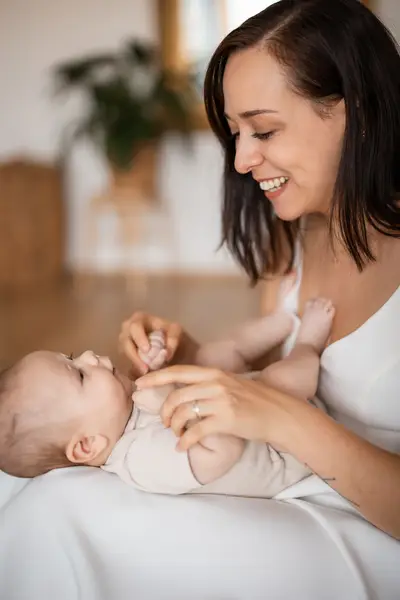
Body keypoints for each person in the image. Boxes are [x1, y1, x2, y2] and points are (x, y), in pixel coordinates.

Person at [118, 0, 400, 596]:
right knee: (54, 486)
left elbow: (281, 409)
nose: (243, 160)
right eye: (236, 133)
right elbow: (270, 376)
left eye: (264, 130)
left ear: (358, 112)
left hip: (370, 538)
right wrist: (181, 355)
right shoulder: (301, 234)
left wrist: (287, 421)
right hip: (290, 496)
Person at [0, 296, 332, 498]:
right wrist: (168, 400)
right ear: (88, 445)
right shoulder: (143, 460)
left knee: (212, 356)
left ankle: (284, 318)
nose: (88, 355)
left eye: (72, 355)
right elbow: (223, 449)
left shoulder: (121, 414)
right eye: (80, 374)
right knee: (278, 379)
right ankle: (307, 343)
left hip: (242, 408)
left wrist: (157, 359)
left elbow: (172, 391)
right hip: (283, 449)